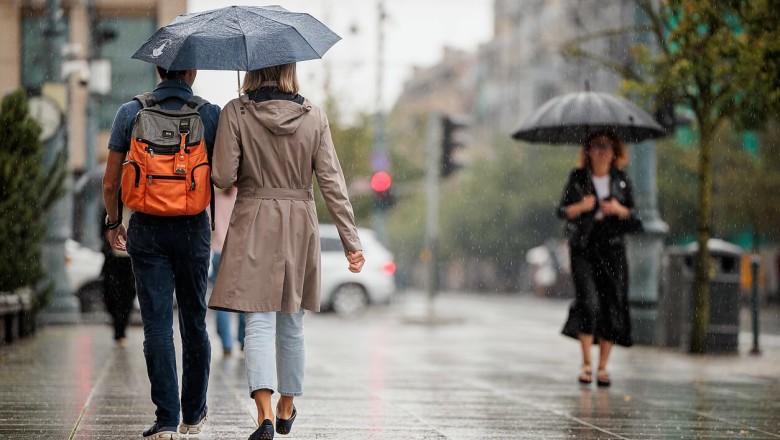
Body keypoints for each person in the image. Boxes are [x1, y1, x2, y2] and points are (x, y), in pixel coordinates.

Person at [208, 63, 365, 440]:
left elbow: (222, 177)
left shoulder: (236, 111)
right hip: (299, 223)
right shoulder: (314, 116)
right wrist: (351, 241)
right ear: (290, 69)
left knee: (258, 321)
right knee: (292, 321)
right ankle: (286, 406)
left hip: (253, 219)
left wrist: (239, 140)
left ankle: (263, 413)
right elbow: (331, 182)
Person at [102, 67, 220, 440]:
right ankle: (193, 414)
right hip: (193, 227)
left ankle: (167, 419)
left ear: (158, 69)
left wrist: (113, 221)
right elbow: (225, 175)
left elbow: (111, 181)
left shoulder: (130, 112)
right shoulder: (209, 114)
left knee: (156, 325)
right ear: (192, 72)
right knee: (194, 321)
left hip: (147, 226)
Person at [558, 132, 639, 388]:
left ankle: (603, 366)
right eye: (596, 146)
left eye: (607, 147)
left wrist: (618, 210)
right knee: (589, 302)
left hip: (612, 249)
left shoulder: (621, 181)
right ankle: (586, 363)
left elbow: (635, 219)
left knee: (612, 304)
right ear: (588, 151)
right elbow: (562, 211)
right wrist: (582, 207)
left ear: (615, 152)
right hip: (584, 247)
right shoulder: (578, 178)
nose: (602, 152)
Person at [211, 186, 246, 357]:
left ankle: (226, 343)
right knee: (243, 299)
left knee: (222, 301)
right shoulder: (244, 196)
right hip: (241, 252)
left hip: (220, 252)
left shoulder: (214, 199)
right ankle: (243, 340)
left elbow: (209, 226)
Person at [99, 205, 136, 348]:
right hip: (113, 259)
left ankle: (121, 330)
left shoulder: (137, 208)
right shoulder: (111, 207)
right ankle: (117, 323)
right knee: (110, 293)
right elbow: (102, 231)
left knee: (128, 296)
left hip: (130, 259)